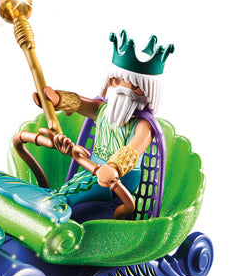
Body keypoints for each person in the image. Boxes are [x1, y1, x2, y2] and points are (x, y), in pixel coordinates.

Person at [33, 30, 171, 210]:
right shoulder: (104, 109)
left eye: (135, 86)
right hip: (93, 169)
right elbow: (81, 103)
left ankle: (59, 209)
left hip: (121, 178)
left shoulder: (143, 125)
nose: (123, 89)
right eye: (117, 81)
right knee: (71, 191)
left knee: (75, 196)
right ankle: (52, 205)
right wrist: (58, 100)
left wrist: (114, 166)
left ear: (149, 90)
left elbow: (132, 150)